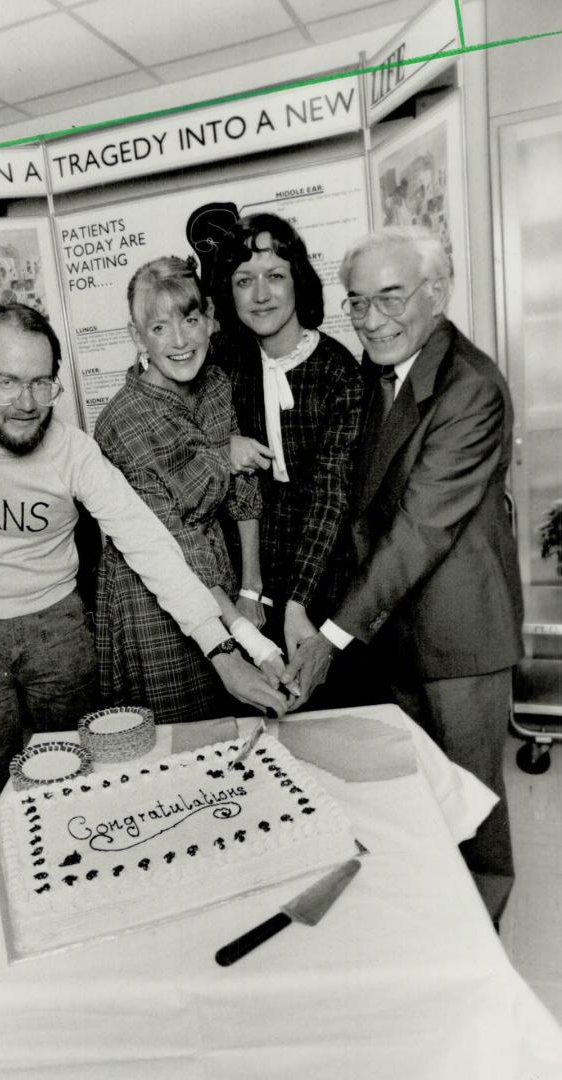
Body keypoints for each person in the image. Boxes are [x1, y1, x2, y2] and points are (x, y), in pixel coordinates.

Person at [0, 302, 287, 839]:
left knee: (80, 785)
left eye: (41, 384)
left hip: (59, 629)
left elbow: (149, 544)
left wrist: (222, 652)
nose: (26, 404)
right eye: (6, 383)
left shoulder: (74, 451)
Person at [284, 226, 523, 922]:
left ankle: (477, 940)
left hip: (458, 635)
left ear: (437, 293)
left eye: (390, 298)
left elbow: (418, 530)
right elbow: (354, 506)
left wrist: (329, 636)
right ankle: (428, 922)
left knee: (470, 801)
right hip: (392, 631)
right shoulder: (373, 374)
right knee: (413, 795)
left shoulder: (469, 387)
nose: (371, 319)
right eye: (356, 303)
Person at [94, 256, 292, 725]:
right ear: (136, 336)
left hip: (221, 580)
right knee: (182, 741)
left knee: (241, 731)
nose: (180, 342)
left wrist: (251, 589)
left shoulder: (216, 384)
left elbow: (244, 491)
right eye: (159, 327)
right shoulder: (123, 423)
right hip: (153, 595)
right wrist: (245, 633)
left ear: (209, 318)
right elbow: (176, 541)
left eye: (189, 320)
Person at [210, 213, 364, 667]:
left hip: (322, 580)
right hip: (243, 587)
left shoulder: (339, 372)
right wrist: (222, 452)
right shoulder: (222, 363)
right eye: (244, 280)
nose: (260, 295)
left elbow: (331, 498)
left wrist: (298, 603)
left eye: (275, 276)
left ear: (299, 280)